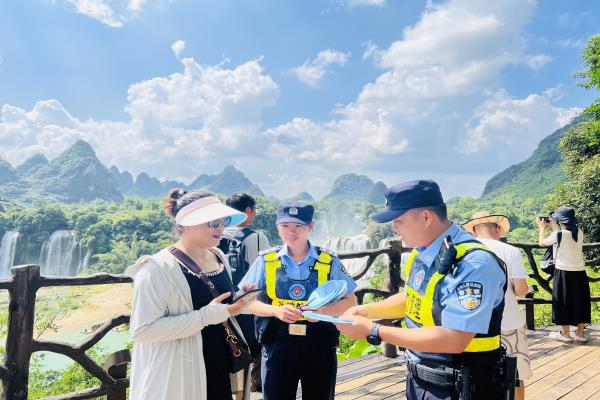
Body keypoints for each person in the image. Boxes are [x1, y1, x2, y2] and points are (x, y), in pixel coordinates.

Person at [336, 180, 510, 400]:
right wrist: (366, 311)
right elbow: (413, 298)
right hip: (422, 380)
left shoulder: (473, 264)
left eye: (398, 220)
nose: (394, 228)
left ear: (426, 217)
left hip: (462, 386)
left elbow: (455, 338)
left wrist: (374, 331)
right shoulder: (425, 251)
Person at [126, 189, 256, 400]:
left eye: (223, 221)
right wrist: (205, 316)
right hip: (180, 375)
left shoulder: (218, 256)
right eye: (213, 222)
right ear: (186, 223)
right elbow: (142, 331)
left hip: (220, 366)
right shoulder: (157, 269)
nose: (221, 228)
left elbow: (219, 307)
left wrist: (240, 299)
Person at [239, 200, 358, 400]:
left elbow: (351, 301)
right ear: (277, 227)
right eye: (285, 225)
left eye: (298, 226)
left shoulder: (328, 260)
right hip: (278, 342)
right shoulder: (266, 260)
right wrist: (276, 311)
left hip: (319, 342)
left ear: (310, 226)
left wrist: (323, 313)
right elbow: (246, 302)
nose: (291, 231)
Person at [464, 211, 531, 400]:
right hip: (509, 322)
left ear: (474, 231)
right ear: (498, 229)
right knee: (516, 376)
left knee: (477, 377)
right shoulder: (510, 251)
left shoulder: (465, 251)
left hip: (475, 327)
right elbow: (520, 290)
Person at [222, 193, 271, 398]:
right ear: (249, 210)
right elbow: (266, 275)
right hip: (248, 309)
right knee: (254, 353)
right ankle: (254, 392)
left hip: (222, 308)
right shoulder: (255, 238)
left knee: (230, 356)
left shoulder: (216, 235)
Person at [537, 206, 590, 342]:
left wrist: (542, 228)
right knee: (580, 301)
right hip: (579, 272)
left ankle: (565, 334)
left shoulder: (559, 234)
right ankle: (580, 333)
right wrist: (555, 226)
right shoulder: (579, 231)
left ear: (560, 220)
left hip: (564, 272)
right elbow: (563, 235)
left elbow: (542, 243)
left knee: (563, 302)